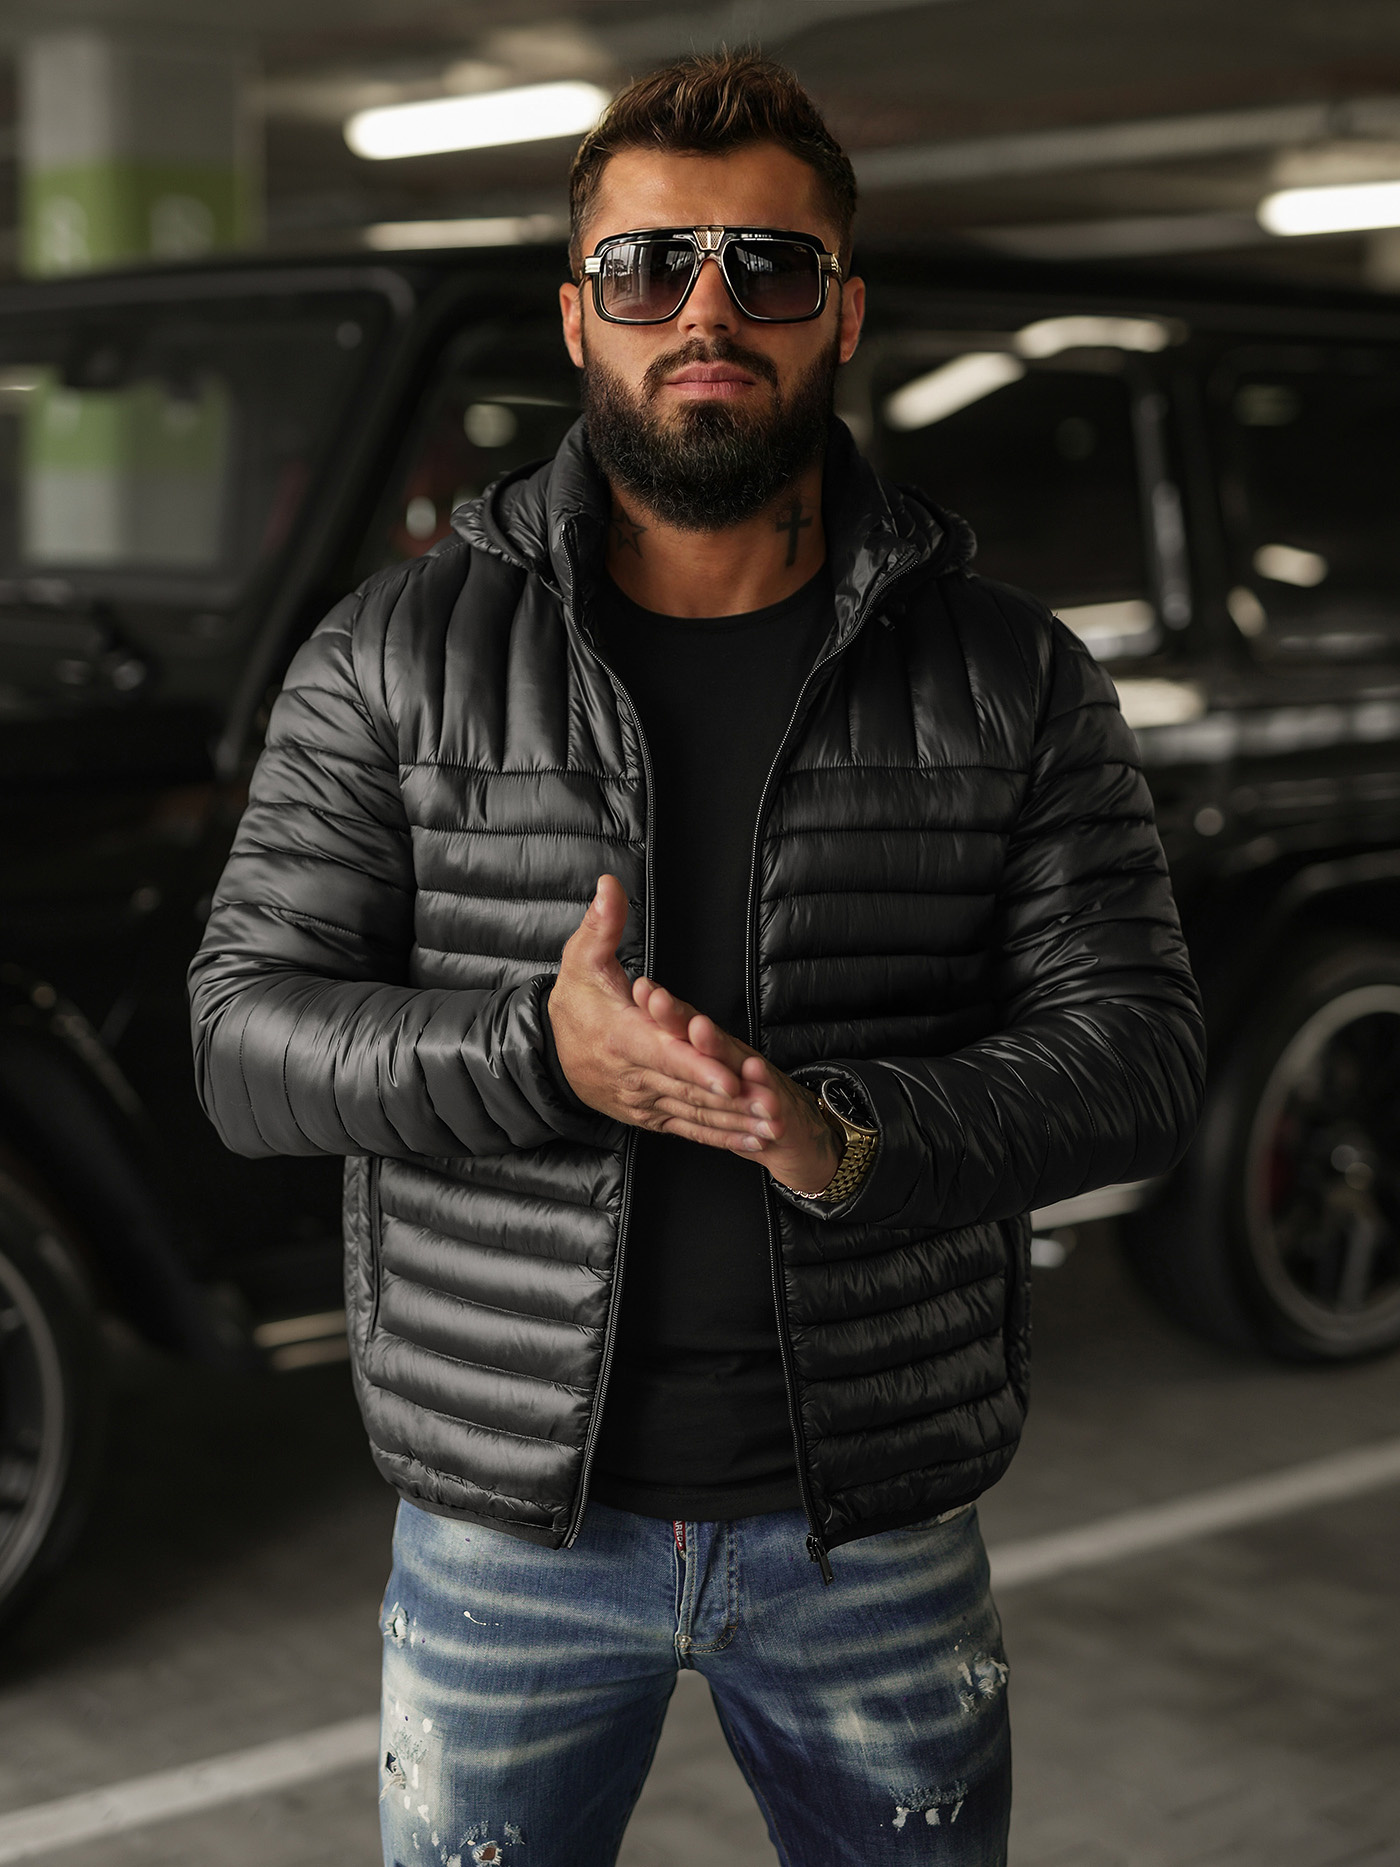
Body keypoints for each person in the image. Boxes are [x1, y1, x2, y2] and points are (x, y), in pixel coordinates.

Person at [189, 50, 1203, 1867]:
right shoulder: (391, 657)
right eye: (651, 267)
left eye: (768, 266)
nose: (707, 312)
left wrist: (847, 1135)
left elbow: (1137, 1055)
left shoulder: (1013, 677)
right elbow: (243, 1043)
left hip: (870, 1523)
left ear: (845, 313)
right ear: (578, 313)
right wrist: (536, 1051)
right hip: (507, 1530)